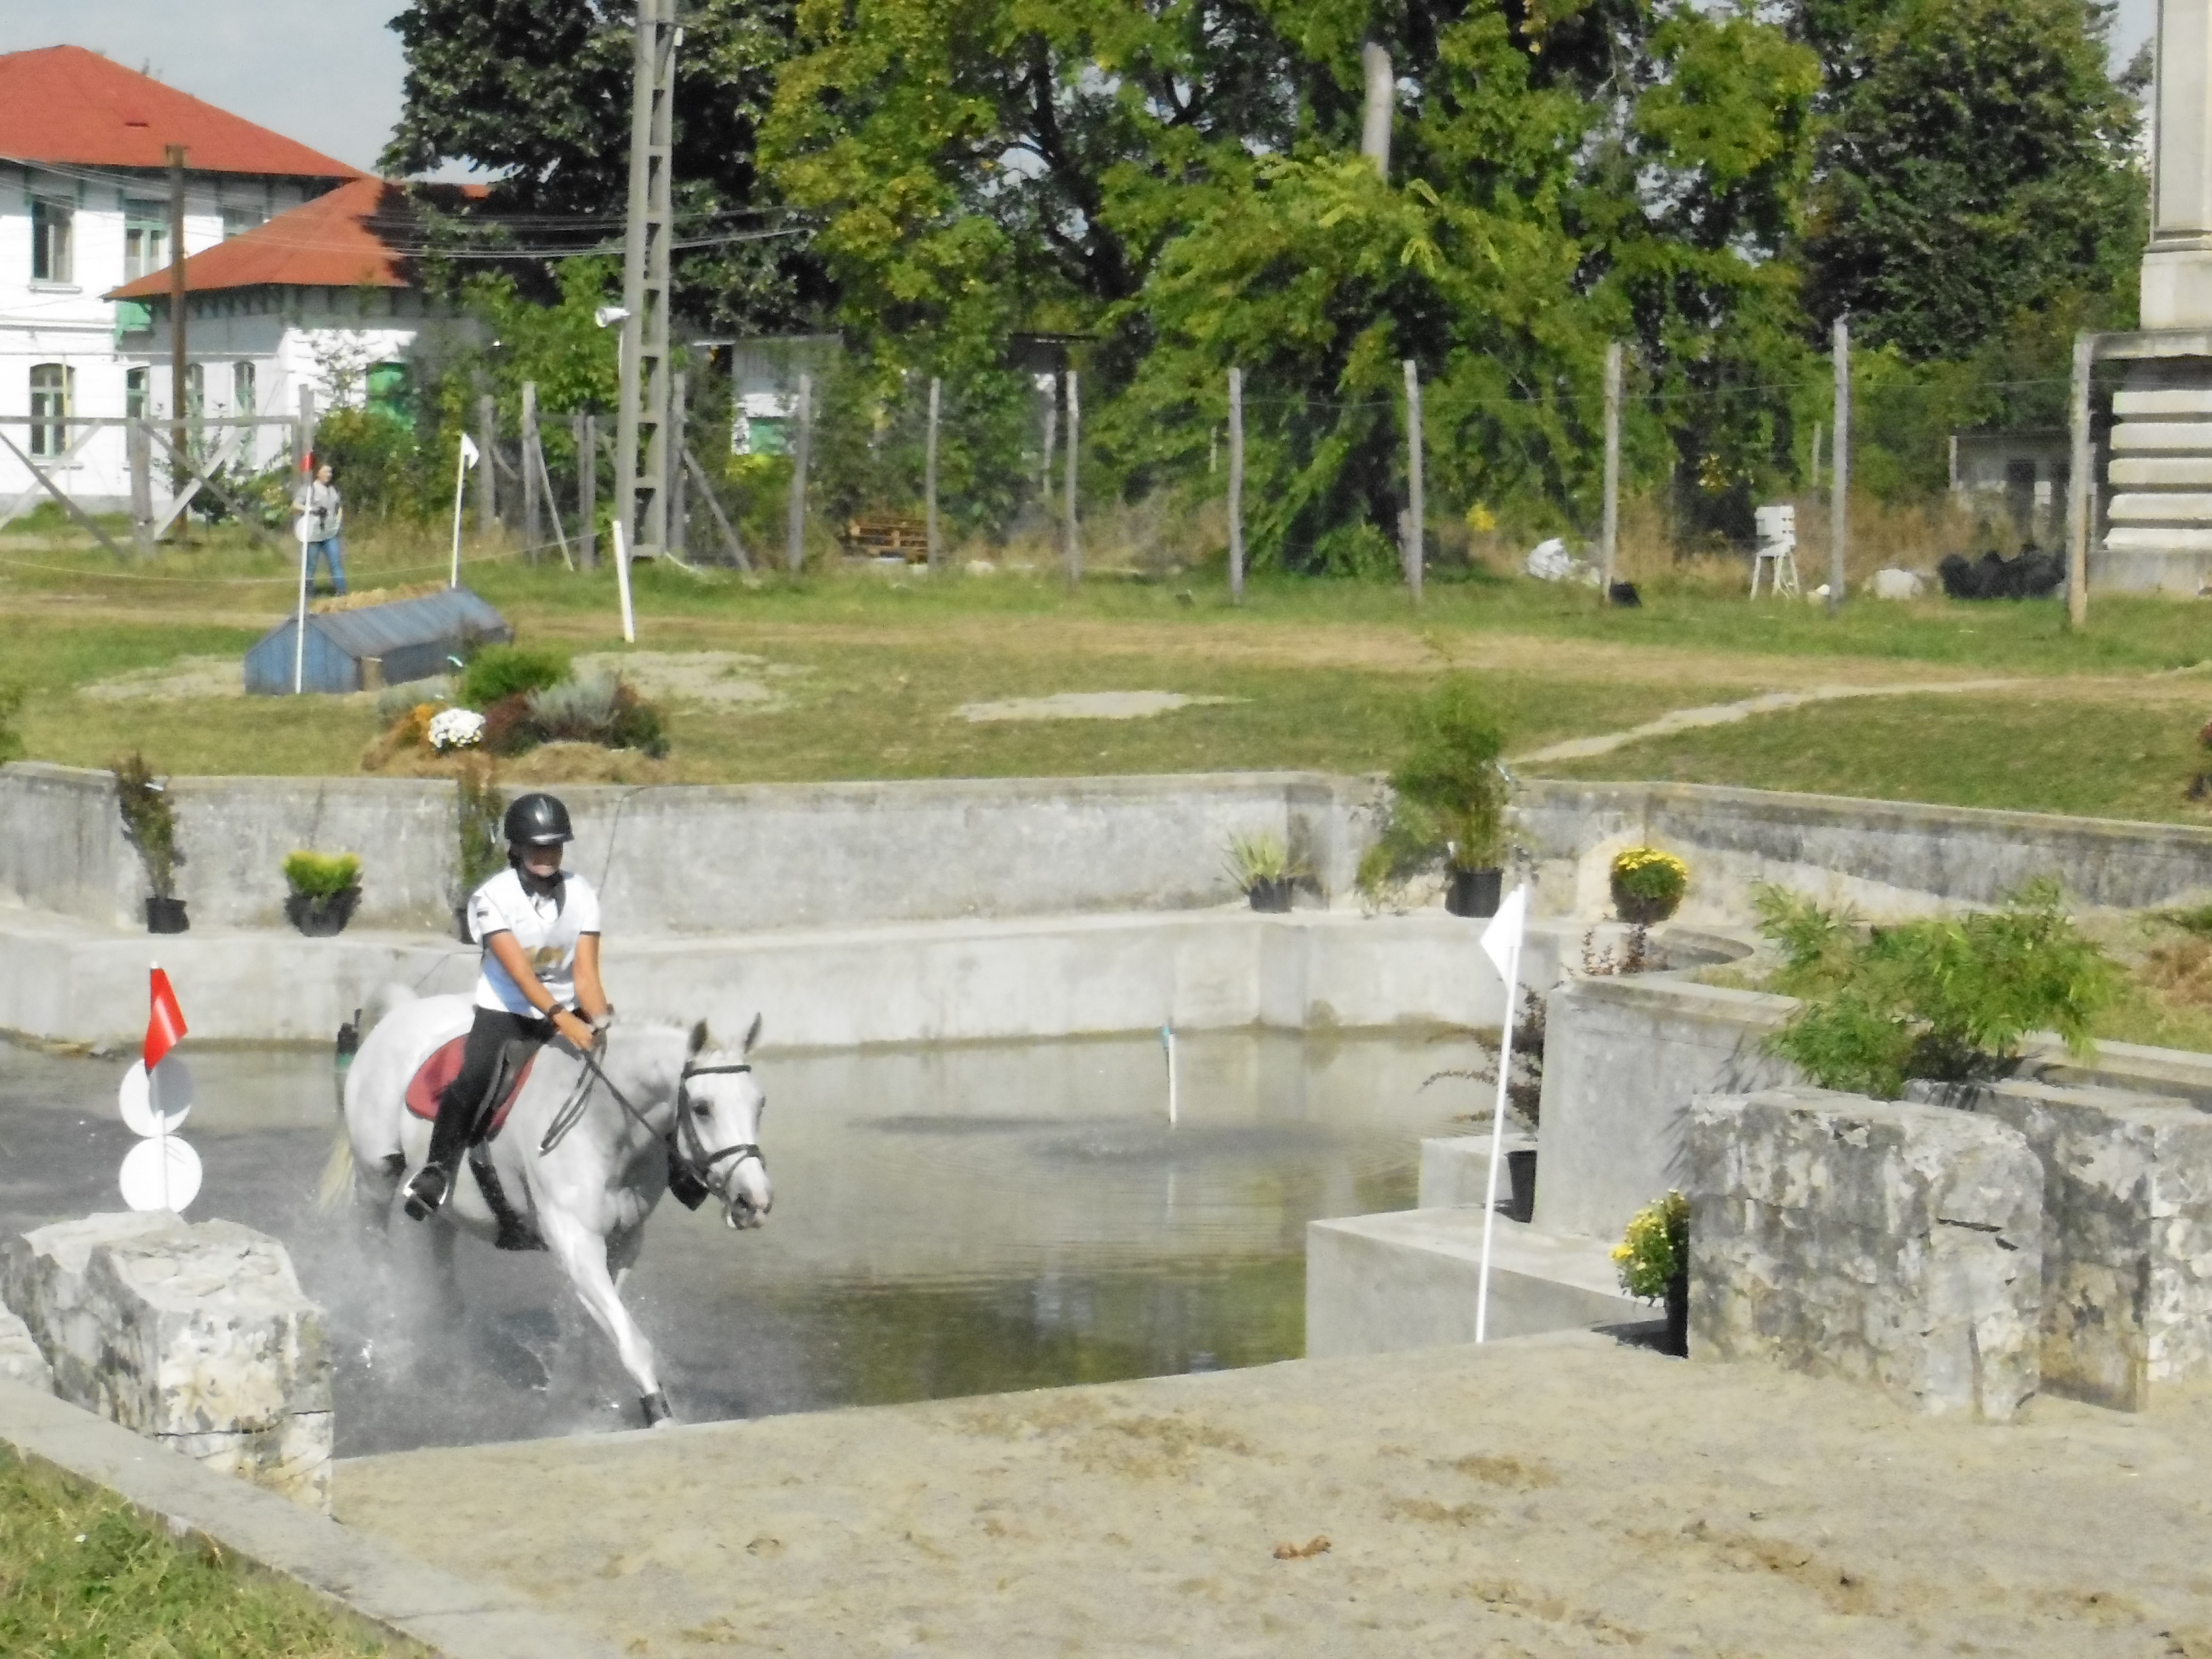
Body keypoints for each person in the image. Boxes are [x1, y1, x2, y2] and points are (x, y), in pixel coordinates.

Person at [403, 792, 610, 1220]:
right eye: (536, 846)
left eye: (554, 846)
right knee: (475, 1077)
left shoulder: (583, 894)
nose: (546, 854)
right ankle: (437, 1169)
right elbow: (522, 976)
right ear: (516, 848)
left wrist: (603, 1022)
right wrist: (565, 1022)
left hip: (568, 1008)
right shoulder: (491, 899)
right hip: (507, 1011)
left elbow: (587, 976)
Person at [296, 462, 347, 596]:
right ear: (318, 473)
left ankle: (341, 592)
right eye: (325, 472)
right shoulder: (309, 489)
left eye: (330, 472)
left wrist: (338, 519)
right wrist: (312, 509)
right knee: (311, 565)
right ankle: (308, 593)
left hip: (330, 533)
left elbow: (339, 506)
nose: (328, 475)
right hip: (313, 534)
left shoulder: (333, 490)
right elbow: (295, 505)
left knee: (336, 562)